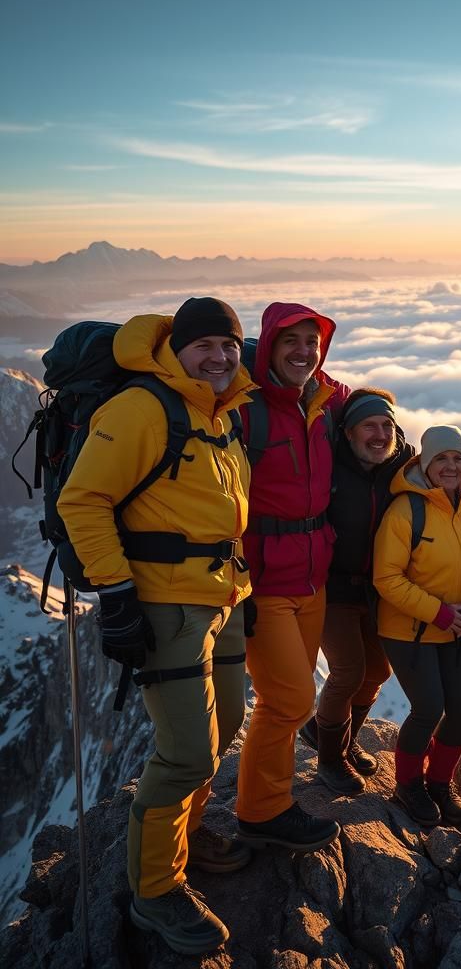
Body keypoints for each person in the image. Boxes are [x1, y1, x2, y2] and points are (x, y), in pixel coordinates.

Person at [58, 297, 254, 955]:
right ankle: (155, 891)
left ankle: (185, 835)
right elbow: (82, 499)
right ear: (177, 349)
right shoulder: (143, 408)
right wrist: (117, 594)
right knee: (185, 753)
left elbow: (222, 510)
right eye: (206, 346)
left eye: (229, 345)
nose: (221, 357)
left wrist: (242, 587)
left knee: (223, 727)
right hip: (164, 603)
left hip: (220, 596)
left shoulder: (218, 412)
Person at [235, 302, 346, 851]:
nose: (305, 351)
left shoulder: (321, 402)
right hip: (264, 582)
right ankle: (261, 811)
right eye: (291, 342)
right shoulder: (244, 408)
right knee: (290, 701)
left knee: (289, 697)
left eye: (313, 341)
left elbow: (363, 405)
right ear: (269, 347)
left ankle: (269, 796)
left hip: (313, 574)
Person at [372, 425, 461, 826]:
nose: (451, 466)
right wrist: (441, 612)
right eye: (442, 458)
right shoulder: (404, 511)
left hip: (460, 625)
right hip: (408, 629)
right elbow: (386, 577)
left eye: (458, 459)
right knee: (429, 707)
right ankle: (408, 784)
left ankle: (440, 783)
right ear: (426, 464)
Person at [299, 388, 415, 794]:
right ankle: (329, 761)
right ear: (348, 432)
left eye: (387, 425)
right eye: (370, 425)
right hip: (332, 585)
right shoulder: (329, 467)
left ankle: (333, 738)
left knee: (379, 671)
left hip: (379, 588)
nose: (380, 433)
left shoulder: (400, 466)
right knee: (348, 670)